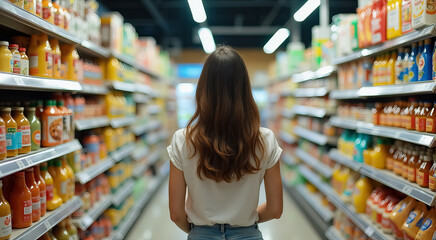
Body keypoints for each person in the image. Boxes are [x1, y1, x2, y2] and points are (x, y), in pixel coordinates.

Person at [168, 46, 283, 240]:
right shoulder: (265, 140)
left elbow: (177, 214)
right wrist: (247, 222)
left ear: (203, 88)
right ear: (245, 89)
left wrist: (199, 232)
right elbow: (275, 209)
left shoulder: (182, 139)